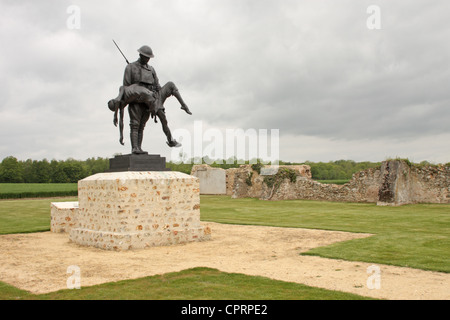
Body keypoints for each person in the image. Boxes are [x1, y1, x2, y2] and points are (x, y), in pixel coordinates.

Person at [108, 45, 192, 154]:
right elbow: (126, 88)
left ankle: (183, 106)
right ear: (140, 55)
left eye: (149, 58)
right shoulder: (130, 67)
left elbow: (157, 85)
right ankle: (135, 148)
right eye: (145, 57)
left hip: (150, 100)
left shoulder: (151, 69)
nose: (147, 59)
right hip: (137, 101)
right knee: (135, 125)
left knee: (142, 126)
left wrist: (159, 94)